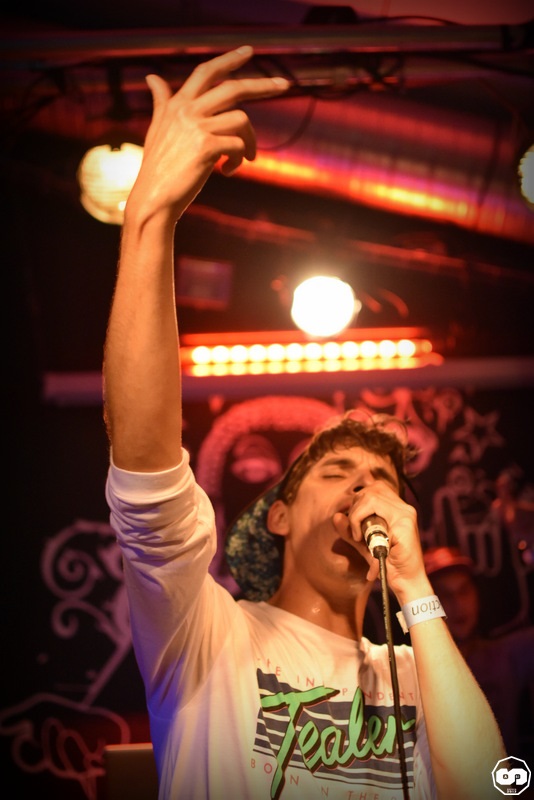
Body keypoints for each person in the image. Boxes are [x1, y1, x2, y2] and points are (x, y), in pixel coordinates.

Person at [102, 46, 506, 799]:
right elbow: (147, 476)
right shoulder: (208, 633)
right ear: (279, 515)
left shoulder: (415, 671)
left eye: (381, 479)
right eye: (337, 471)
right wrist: (149, 218)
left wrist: (415, 587)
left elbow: (493, 786)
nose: (363, 488)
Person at [424, 546, 534, 760]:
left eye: (464, 591)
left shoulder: (504, 656)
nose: (458, 604)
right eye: (445, 595)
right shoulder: (410, 669)